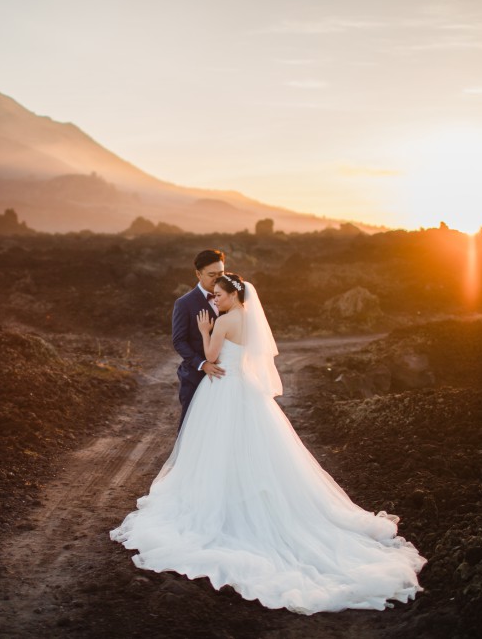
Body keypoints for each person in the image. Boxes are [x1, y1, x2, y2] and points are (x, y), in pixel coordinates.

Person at [111, 273, 426, 615]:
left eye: (218, 294)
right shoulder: (249, 317)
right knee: (257, 449)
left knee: (218, 449)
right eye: (213, 294)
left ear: (233, 295)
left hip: (223, 390)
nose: (214, 300)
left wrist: (205, 331)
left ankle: (226, 503)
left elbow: (212, 358)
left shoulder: (225, 321)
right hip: (248, 390)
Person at [171, 249, 225, 426]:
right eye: (211, 275)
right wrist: (203, 364)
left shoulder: (232, 299)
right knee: (191, 426)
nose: (217, 279)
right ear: (198, 274)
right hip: (195, 376)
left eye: (221, 273)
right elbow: (179, 341)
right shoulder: (184, 304)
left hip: (226, 376)